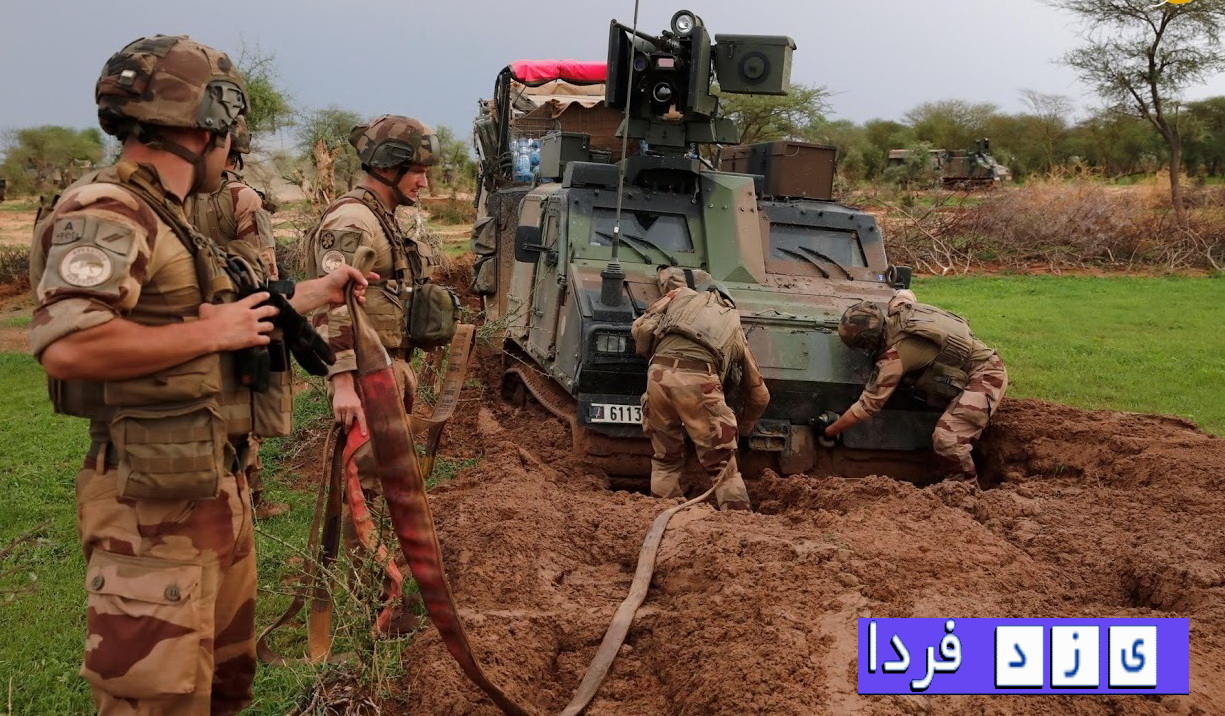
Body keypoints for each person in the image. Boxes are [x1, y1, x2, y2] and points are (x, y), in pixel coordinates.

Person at [28, 35, 369, 716]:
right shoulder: (108, 208)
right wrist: (212, 334)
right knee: (157, 700)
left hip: (209, 485)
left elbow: (226, 311)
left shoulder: (169, 213)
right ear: (212, 122)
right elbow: (67, 344)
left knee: (219, 693)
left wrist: (316, 293)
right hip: (149, 508)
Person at [306, 114, 438, 477]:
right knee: (365, 480)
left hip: (387, 367)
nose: (424, 182)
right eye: (417, 172)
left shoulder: (381, 215)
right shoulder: (353, 220)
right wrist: (343, 384)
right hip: (365, 375)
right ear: (386, 166)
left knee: (388, 478)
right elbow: (330, 303)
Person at [185, 114, 288, 519]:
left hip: (190, 315)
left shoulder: (177, 194)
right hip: (240, 312)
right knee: (243, 405)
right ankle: (250, 497)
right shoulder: (243, 197)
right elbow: (264, 267)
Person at [823, 289, 1008, 485]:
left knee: (947, 438)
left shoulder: (894, 358)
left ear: (868, 343)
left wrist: (830, 431)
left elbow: (866, 407)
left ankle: (963, 486)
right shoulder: (901, 312)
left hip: (987, 375)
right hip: (970, 367)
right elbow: (904, 294)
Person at [631, 266, 770, 511]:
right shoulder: (733, 322)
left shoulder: (679, 295)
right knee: (723, 467)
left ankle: (664, 510)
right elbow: (760, 395)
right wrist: (744, 428)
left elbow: (639, 327)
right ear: (728, 301)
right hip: (699, 383)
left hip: (657, 376)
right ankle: (737, 519)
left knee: (665, 460)